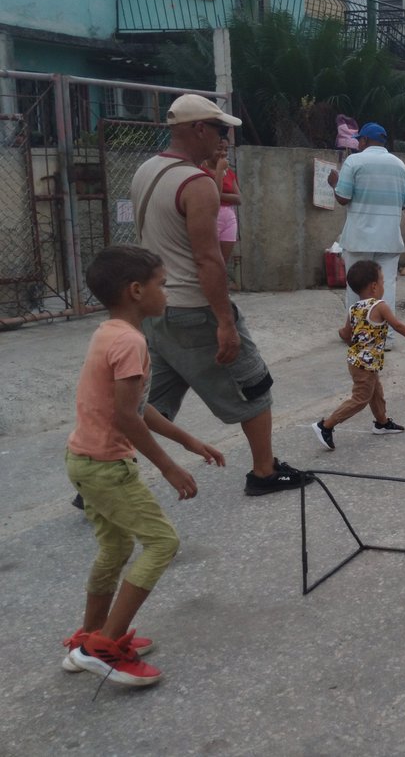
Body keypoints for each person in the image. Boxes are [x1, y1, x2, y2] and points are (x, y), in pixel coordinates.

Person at [130, 94, 309, 496]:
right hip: (195, 310)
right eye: (219, 130)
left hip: (156, 310)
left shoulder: (147, 170)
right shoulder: (197, 184)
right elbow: (209, 261)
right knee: (254, 383)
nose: (222, 138)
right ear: (198, 129)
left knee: (148, 402)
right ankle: (264, 472)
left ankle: (100, 472)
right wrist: (225, 322)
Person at [63, 245, 225, 687]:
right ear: (136, 291)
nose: (166, 293)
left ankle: (89, 638)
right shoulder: (132, 342)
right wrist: (170, 468)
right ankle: (105, 648)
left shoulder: (109, 332)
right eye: (162, 285)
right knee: (162, 543)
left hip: (82, 459)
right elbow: (126, 417)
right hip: (108, 468)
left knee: (115, 550)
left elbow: (137, 405)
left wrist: (188, 439)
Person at [311, 260, 405, 451]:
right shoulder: (380, 306)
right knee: (360, 398)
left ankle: (382, 422)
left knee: (375, 392)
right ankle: (326, 425)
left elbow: (346, 334)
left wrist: (358, 348)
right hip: (365, 363)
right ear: (374, 286)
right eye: (382, 281)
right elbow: (398, 326)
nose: (383, 286)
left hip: (357, 361)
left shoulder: (354, 308)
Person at [327, 121, 405, 347]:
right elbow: (404, 204)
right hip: (390, 238)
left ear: (363, 141)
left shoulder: (354, 161)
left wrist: (334, 184)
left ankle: (358, 335)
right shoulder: (400, 165)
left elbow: (343, 198)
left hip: (359, 236)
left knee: (356, 287)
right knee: (386, 288)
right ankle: (386, 338)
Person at [200, 135, 241, 266]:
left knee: (223, 262)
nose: (223, 153)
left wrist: (217, 194)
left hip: (229, 217)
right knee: (211, 261)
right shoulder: (201, 171)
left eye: (226, 149)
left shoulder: (228, 172)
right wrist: (218, 171)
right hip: (211, 216)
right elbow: (214, 198)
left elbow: (239, 198)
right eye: (219, 149)